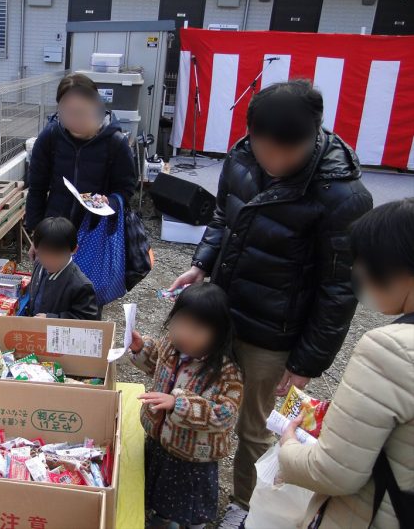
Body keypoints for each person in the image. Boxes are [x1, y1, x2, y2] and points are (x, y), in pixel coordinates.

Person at [167, 79, 373, 528]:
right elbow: (224, 215)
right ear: (250, 135)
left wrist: (306, 362)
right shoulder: (241, 158)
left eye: (286, 153)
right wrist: (202, 264)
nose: (273, 161)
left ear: (313, 137)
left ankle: (245, 504)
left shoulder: (343, 195)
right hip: (223, 312)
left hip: (275, 332)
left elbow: (339, 289)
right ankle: (186, 487)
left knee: (256, 427)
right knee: (203, 402)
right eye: (265, 149)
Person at [278, 198, 414, 529]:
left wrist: (288, 447)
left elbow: (334, 471)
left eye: (364, 262)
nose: (359, 274)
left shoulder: (390, 349)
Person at [129, 282, 243, 529]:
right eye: (179, 323)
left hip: (193, 458)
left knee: (188, 504)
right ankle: (161, 518)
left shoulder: (226, 372)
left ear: (218, 332)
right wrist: (142, 349)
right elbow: (157, 366)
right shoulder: (171, 347)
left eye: (197, 329)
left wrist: (178, 404)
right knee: (160, 495)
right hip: (161, 442)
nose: (184, 334)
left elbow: (225, 415)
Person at [24, 73, 137, 255]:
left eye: (81, 111)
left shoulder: (115, 142)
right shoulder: (50, 138)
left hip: (97, 234)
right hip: (55, 234)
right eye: (68, 111)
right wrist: (38, 234)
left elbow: (126, 188)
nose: (75, 119)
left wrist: (111, 202)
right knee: (53, 282)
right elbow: (37, 189)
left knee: (90, 284)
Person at [28, 217, 98, 320]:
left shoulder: (81, 285)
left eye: (57, 255)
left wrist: (52, 318)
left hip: (57, 333)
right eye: (44, 254)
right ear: (36, 248)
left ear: (74, 250)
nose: (49, 260)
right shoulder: (39, 264)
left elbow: (87, 319)